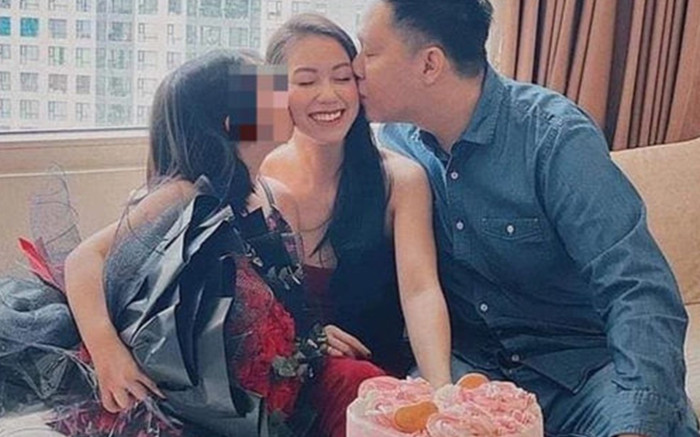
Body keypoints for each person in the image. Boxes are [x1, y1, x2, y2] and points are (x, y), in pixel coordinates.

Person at [353, 0, 700, 436]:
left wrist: (637, 417)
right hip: (470, 369)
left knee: (649, 420)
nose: (355, 68)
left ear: (429, 64)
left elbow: (637, 285)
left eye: (369, 53)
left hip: (582, 372)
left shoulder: (554, 138)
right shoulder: (398, 146)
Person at [0, 49, 324, 436]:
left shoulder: (276, 197)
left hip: (247, 391)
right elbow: (84, 258)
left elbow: (282, 292)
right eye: (271, 90)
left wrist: (316, 337)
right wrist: (107, 352)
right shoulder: (183, 195)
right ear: (235, 122)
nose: (287, 96)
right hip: (186, 400)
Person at [261, 13, 452, 437]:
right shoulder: (258, 169)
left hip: (368, 380)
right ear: (273, 92)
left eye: (342, 77)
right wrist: (305, 337)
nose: (328, 95)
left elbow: (420, 291)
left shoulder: (400, 178)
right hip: (278, 376)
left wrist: (441, 391)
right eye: (306, 81)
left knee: (359, 384)